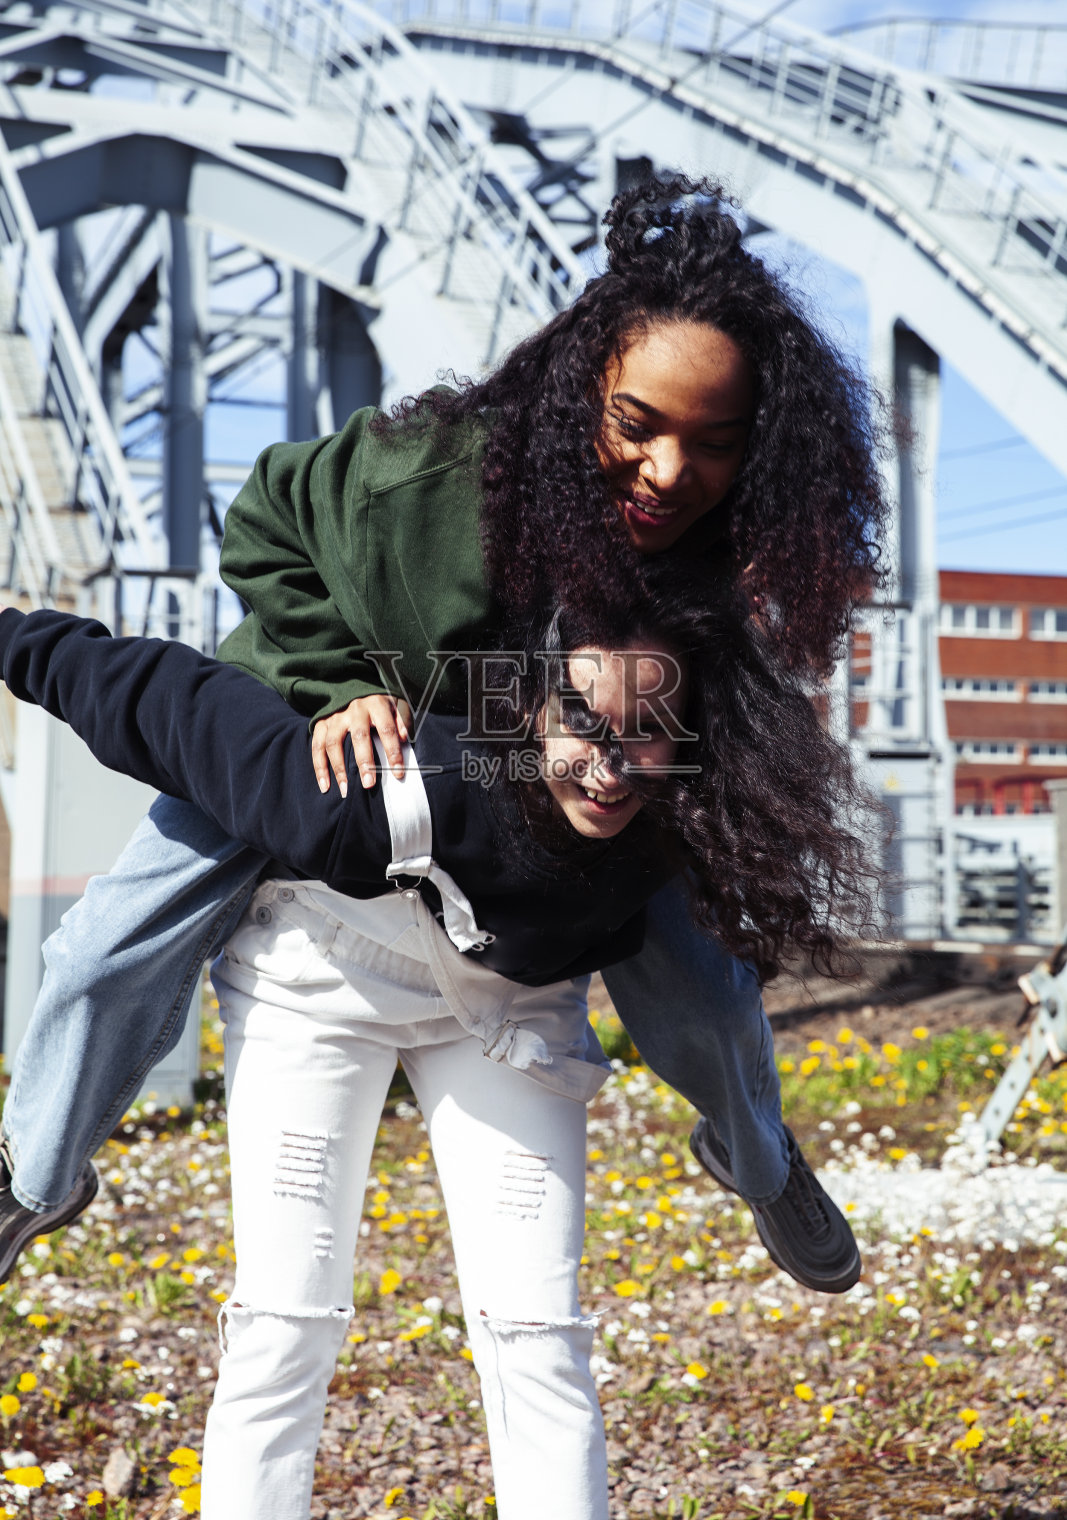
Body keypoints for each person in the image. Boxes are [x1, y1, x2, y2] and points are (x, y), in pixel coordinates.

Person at [0, 173, 885, 1294]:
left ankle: (758, 1159)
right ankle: (36, 1173)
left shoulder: (704, 542)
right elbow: (269, 513)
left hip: (549, 755)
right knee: (107, 943)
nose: (669, 473)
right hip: (336, 720)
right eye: (636, 425)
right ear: (582, 389)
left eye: (713, 441)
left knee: (706, 987)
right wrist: (333, 679)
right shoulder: (432, 477)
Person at [0, 584, 878, 1520]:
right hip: (318, 977)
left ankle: (760, 1156)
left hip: (508, 1007)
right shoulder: (369, 789)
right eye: (584, 724)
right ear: (524, 708)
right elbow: (158, 699)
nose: (612, 769)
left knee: (539, 1334)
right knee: (282, 1327)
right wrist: (14, 639)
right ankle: (36, 1170)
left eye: (648, 731)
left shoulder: (682, 815)